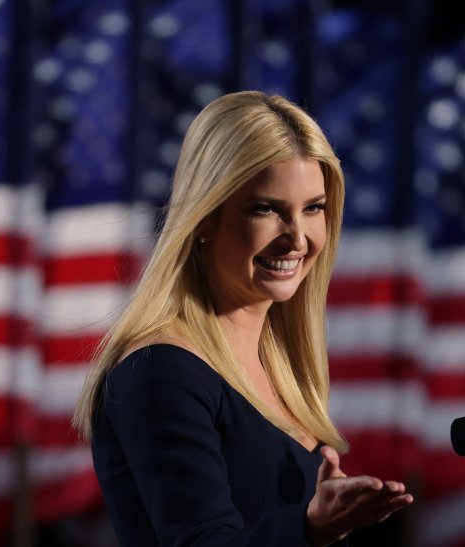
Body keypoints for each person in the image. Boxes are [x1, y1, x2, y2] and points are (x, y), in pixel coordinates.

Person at [72, 91, 413, 546]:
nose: (297, 238)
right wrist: (311, 527)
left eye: (313, 208)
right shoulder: (161, 368)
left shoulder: (279, 366)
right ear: (206, 218)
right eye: (266, 209)